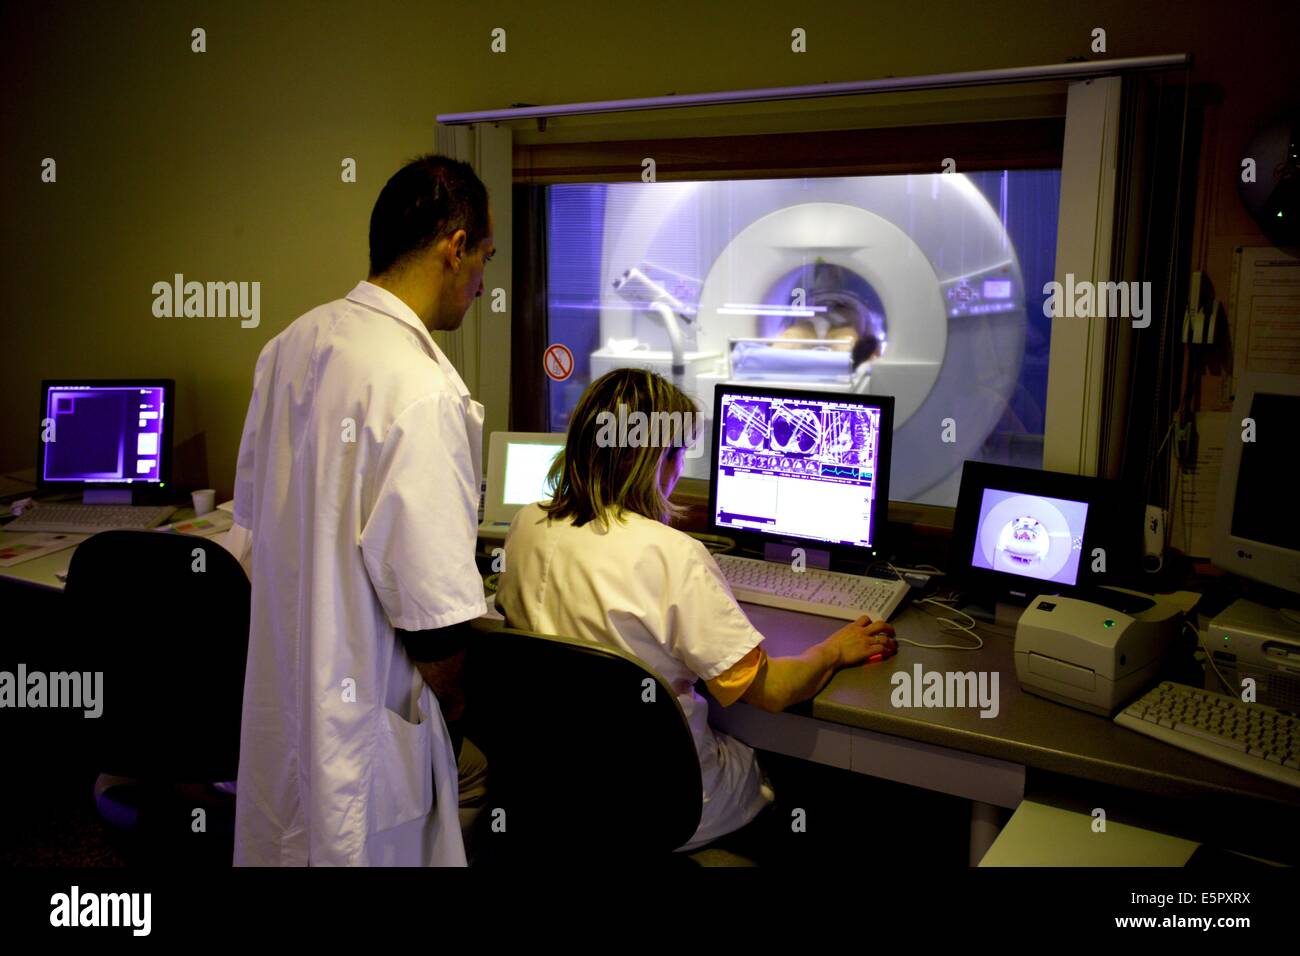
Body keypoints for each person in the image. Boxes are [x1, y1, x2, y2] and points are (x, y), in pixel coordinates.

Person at [495, 368, 897, 852]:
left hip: (556, 787)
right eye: (679, 453)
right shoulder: (672, 555)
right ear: (656, 458)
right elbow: (770, 692)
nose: (681, 468)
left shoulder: (526, 523)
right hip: (666, 802)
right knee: (792, 769)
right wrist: (833, 651)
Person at [226, 155, 494, 866]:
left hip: (291, 703)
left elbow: (252, 532)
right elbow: (436, 627)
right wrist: (462, 711)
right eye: (484, 259)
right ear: (455, 245)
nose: (482, 284)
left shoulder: (287, 346)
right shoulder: (423, 390)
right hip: (371, 731)